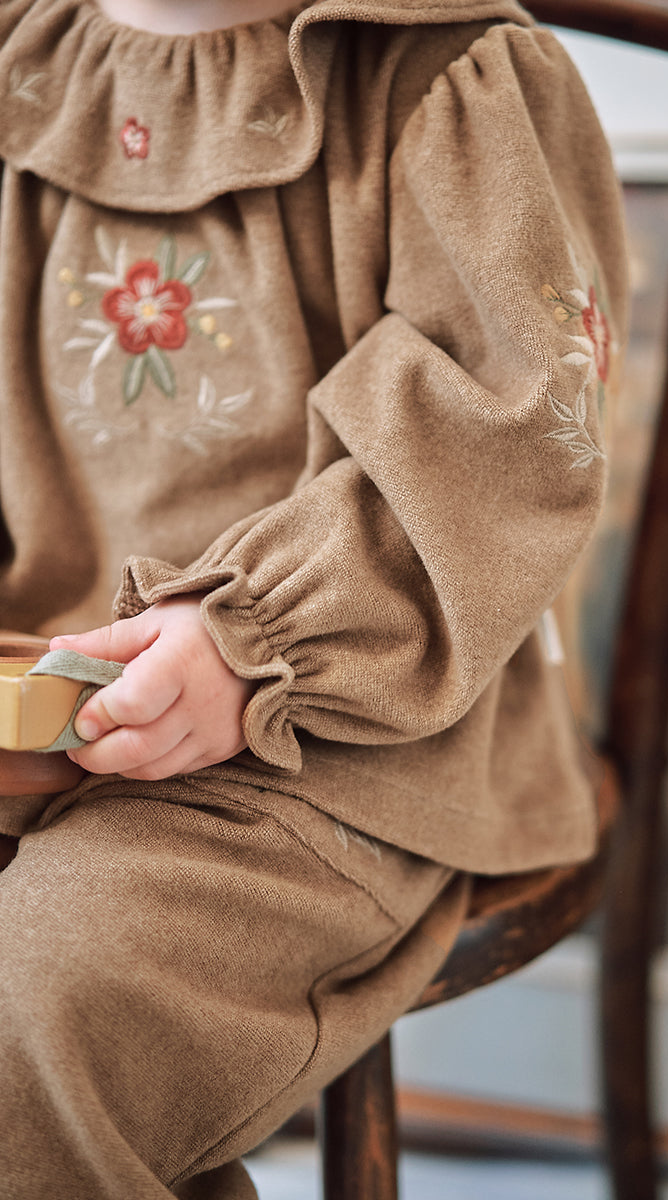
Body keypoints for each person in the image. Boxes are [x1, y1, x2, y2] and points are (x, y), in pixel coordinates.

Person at [0, 0, 628, 1194]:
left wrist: (256, 634)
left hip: (341, 731)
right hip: (33, 695)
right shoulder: (22, 53)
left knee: (43, 1005)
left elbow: (513, 444)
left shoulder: (446, 79)